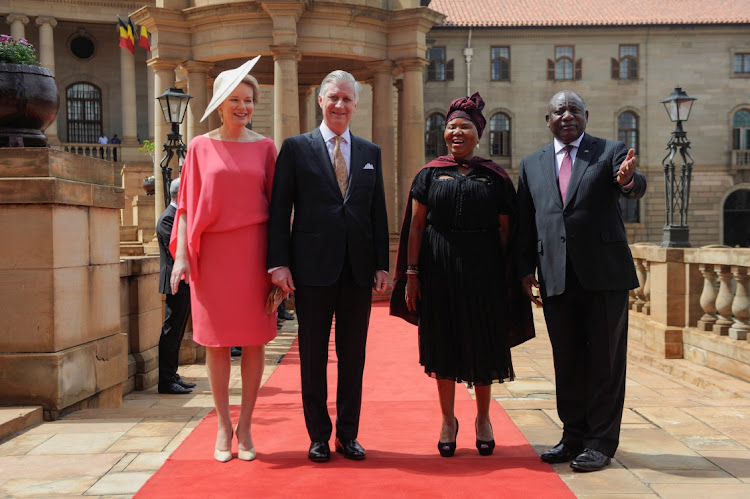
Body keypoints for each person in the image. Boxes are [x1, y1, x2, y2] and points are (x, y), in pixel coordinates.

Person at [391, 93, 534, 458]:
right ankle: (447, 419)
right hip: (438, 270)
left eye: (465, 126)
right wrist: (412, 274)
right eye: (451, 125)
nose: (456, 131)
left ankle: (483, 418)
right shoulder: (429, 173)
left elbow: (506, 230)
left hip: (484, 271)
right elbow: (417, 227)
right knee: (443, 342)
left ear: (478, 133)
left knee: (485, 339)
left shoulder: (496, 177)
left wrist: (506, 276)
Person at [515, 90, 647, 472]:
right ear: (548, 119)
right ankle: (572, 437)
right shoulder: (532, 163)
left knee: (605, 361)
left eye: (574, 109)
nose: (567, 115)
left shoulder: (609, 152)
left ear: (586, 115)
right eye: (560, 110)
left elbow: (634, 184)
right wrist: (524, 270)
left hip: (604, 276)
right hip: (555, 276)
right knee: (567, 361)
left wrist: (627, 181)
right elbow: (527, 221)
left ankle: (600, 442)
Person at [267, 70, 389, 462]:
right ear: (321, 99)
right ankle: (319, 435)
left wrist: (382, 264)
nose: (340, 105)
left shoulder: (370, 153)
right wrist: (279, 264)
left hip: (357, 271)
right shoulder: (296, 148)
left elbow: (377, 212)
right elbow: (279, 210)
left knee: (354, 356)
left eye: (347, 99)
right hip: (311, 269)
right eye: (334, 97)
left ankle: (348, 436)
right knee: (313, 354)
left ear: (356, 104)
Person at [170, 56, 277, 463]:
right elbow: (184, 207)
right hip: (211, 257)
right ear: (219, 102)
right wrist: (181, 258)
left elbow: (280, 207)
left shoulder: (267, 147)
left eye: (248, 99)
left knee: (253, 343)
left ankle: (246, 426)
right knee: (215, 345)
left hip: (253, 255)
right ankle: (222, 425)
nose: (243, 107)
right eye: (235, 99)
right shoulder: (199, 147)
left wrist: (278, 264)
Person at [156, 177, 196, 395]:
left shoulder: (175, 216)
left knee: (178, 330)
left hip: (183, 283)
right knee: (171, 331)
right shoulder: (167, 219)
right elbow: (176, 251)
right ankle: (165, 380)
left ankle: (173, 375)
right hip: (174, 283)